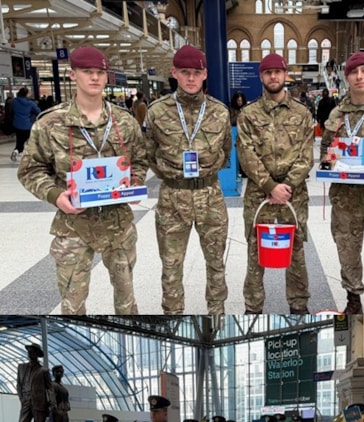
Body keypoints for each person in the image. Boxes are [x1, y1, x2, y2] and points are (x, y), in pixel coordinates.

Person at [17, 47, 148, 315]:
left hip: (118, 225)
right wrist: (55, 195)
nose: (94, 77)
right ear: (72, 74)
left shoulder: (124, 121)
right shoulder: (51, 123)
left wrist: (134, 183)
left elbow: (140, 160)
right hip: (73, 226)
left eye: (100, 72)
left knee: (126, 302)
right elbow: (30, 169)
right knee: (72, 306)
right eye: (87, 71)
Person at [145, 45, 232, 315]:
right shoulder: (157, 112)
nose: (191, 78)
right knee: (171, 266)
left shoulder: (220, 112)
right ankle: (173, 317)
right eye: (185, 72)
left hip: (210, 195)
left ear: (205, 74)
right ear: (174, 73)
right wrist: (172, 175)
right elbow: (149, 153)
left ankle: (217, 316)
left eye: (196, 72)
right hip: (173, 197)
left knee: (216, 263)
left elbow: (225, 151)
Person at [234, 54, 315, 314]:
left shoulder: (302, 113)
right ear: (261, 76)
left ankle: (299, 305)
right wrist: (270, 186)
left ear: (285, 74)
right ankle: (253, 307)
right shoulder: (248, 114)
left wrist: (286, 186)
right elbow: (246, 154)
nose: (273, 76)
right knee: (255, 251)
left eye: (277, 72)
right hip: (259, 195)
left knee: (296, 250)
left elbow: (306, 155)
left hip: (294, 195)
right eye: (268, 72)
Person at [321, 51, 364, 314]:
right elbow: (326, 152)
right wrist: (332, 160)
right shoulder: (337, 113)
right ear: (347, 76)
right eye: (354, 72)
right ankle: (354, 300)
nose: (360, 77)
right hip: (345, 197)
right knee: (347, 250)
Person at [8, 343, 53, 422]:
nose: (30, 352)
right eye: (29, 350)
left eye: (32, 351)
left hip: (40, 403)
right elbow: (19, 385)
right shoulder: (21, 367)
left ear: (37, 354)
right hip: (26, 402)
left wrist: (51, 404)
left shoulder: (43, 370)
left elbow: (50, 388)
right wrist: (22, 399)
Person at [10, 87, 40, 160]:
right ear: (26, 94)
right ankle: (30, 156)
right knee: (30, 141)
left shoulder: (14, 101)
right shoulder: (30, 103)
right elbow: (38, 112)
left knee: (19, 140)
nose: (30, 94)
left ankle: (16, 151)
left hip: (17, 124)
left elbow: (11, 112)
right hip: (28, 125)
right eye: (29, 93)